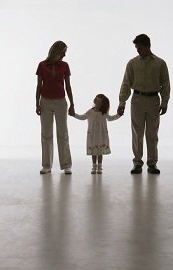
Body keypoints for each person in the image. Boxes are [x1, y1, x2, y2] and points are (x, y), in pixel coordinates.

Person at [117, 34, 170, 174]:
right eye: (136, 47)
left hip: (153, 100)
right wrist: (122, 102)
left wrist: (165, 102)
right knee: (137, 132)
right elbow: (126, 83)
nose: (137, 50)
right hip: (137, 99)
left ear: (148, 46)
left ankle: (152, 163)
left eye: (139, 48)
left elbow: (165, 84)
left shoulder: (160, 63)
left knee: (152, 133)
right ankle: (137, 163)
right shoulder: (132, 63)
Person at [36, 40, 75, 174]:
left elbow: (68, 86)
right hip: (45, 101)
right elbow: (39, 86)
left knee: (62, 134)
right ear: (56, 51)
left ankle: (66, 165)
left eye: (65, 52)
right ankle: (47, 165)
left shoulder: (65, 66)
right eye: (63, 51)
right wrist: (37, 103)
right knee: (46, 134)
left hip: (60, 102)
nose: (64, 54)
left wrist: (72, 104)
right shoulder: (42, 65)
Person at [70, 94, 121, 174]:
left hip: (101, 135)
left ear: (102, 102)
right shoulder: (90, 111)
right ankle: (94, 166)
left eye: (99, 97)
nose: (96, 97)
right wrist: (74, 114)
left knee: (100, 151)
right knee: (93, 151)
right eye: (96, 96)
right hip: (92, 135)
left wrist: (119, 115)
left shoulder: (104, 112)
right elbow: (82, 117)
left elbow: (111, 118)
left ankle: (99, 167)